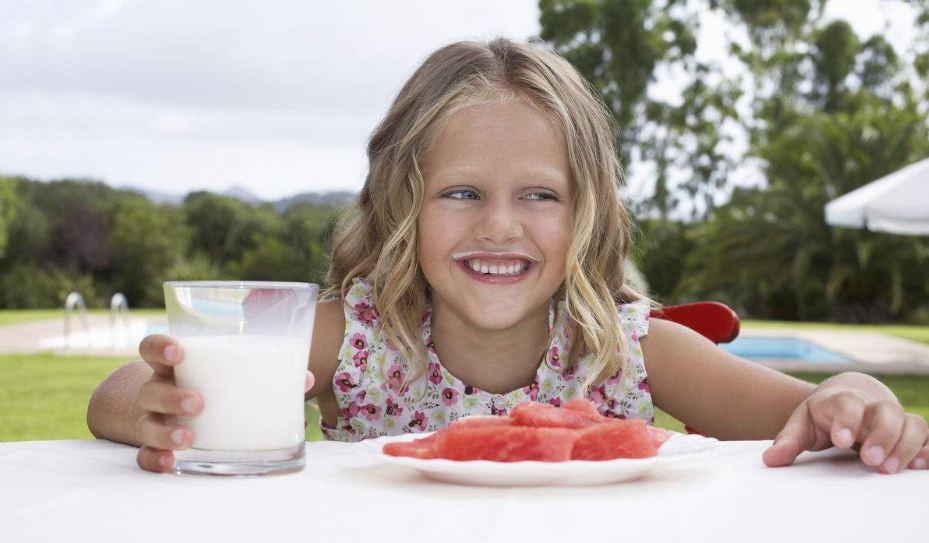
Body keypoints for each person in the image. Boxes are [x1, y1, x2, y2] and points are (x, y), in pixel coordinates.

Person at [88, 38, 928, 475]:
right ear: (401, 205)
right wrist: (156, 405)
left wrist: (852, 397)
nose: (499, 226)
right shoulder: (352, 339)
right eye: (460, 193)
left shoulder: (633, 350)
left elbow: (807, 420)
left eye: (539, 195)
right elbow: (117, 393)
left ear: (586, 217)